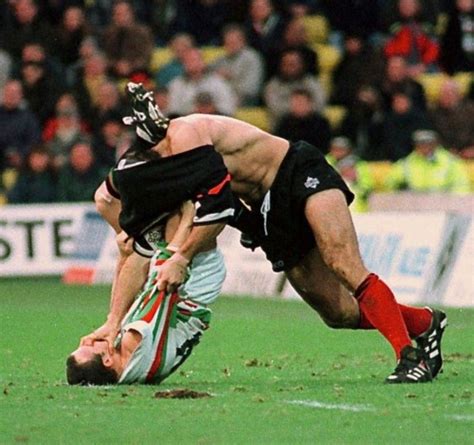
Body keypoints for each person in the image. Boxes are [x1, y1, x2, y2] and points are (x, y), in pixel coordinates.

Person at [90, 82, 449, 384]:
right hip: (265, 208)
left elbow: (217, 208)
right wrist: (113, 320)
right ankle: (425, 322)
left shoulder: (186, 137)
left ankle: (409, 357)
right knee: (337, 313)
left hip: (295, 171)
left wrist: (181, 256)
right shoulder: (154, 170)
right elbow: (124, 234)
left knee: (343, 262)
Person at [67, 202, 226, 385]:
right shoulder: (136, 339)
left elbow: (128, 301)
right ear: (107, 360)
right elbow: (164, 284)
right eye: (88, 347)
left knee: (108, 205)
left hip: (182, 290)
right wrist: (188, 218)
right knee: (180, 207)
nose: (88, 340)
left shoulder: (129, 369)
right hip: (196, 279)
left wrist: (125, 256)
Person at [385, 129, 470, 194]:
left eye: (428, 144)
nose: (424, 147)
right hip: (413, 209)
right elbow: (389, 185)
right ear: (415, 146)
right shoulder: (406, 163)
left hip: (444, 208)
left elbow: (462, 187)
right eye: (420, 144)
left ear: (436, 144)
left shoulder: (451, 163)